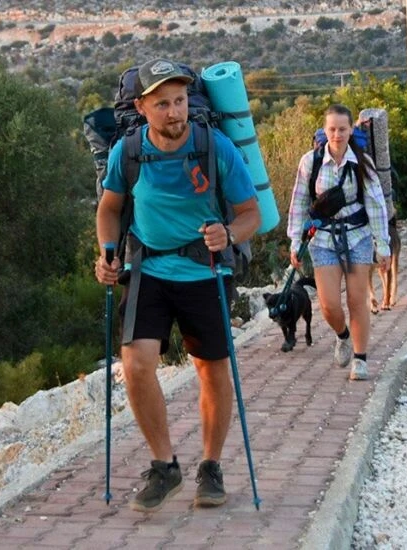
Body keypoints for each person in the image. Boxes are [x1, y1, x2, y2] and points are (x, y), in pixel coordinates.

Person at [94, 58, 260, 513]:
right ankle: (164, 465)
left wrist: (229, 235)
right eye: (163, 103)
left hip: (205, 271)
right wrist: (108, 251)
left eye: (181, 101)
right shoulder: (126, 152)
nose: (175, 112)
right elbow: (109, 207)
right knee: (136, 364)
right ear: (142, 106)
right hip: (148, 270)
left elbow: (250, 213)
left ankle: (210, 466)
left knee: (211, 370)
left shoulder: (215, 146)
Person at [287, 104, 391, 381]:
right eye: (332, 129)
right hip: (323, 239)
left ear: (350, 130)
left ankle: (360, 359)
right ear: (325, 130)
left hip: (357, 237)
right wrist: (295, 240)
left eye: (342, 129)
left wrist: (383, 245)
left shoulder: (362, 164)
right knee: (329, 304)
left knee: (357, 300)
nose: (337, 135)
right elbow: (299, 202)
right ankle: (342, 335)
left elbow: (376, 204)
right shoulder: (310, 162)